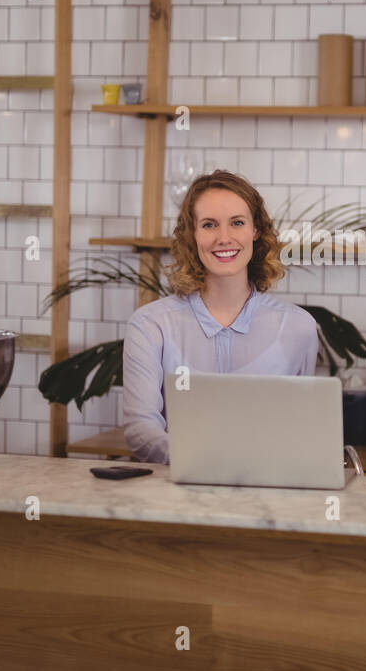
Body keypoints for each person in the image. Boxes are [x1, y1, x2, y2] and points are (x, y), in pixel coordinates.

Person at [121, 170, 319, 464]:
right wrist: (205, 462)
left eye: (237, 223)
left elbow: (301, 428)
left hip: (268, 492)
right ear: (192, 234)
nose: (223, 238)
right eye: (209, 225)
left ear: (256, 231)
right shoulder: (150, 325)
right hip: (174, 493)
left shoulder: (299, 327)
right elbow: (141, 429)